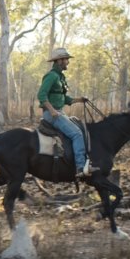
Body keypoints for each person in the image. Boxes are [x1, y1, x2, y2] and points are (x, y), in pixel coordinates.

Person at [37, 47, 98, 178]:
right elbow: (41, 95)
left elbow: (64, 99)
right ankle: (80, 168)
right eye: (66, 59)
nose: (68, 62)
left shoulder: (60, 77)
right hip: (52, 114)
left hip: (60, 112)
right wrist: (52, 110)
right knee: (76, 134)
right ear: (59, 60)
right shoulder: (51, 76)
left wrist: (79, 100)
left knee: (80, 129)